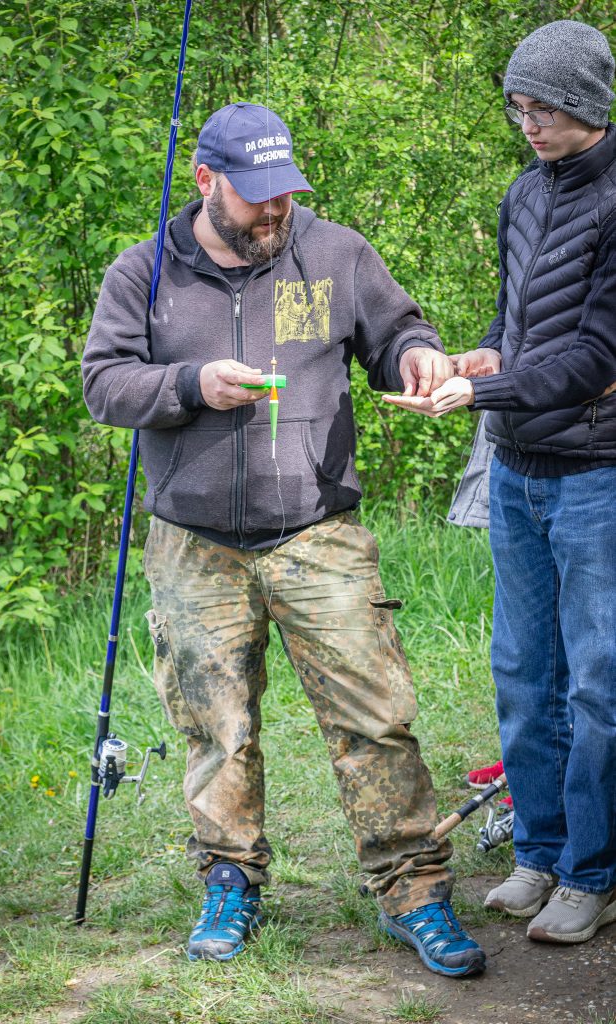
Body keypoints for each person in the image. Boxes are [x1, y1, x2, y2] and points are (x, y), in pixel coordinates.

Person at [82, 102, 486, 977]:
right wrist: (191, 383)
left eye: (286, 193)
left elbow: (397, 333)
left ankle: (413, 890)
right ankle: (231, 880)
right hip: (193, 541)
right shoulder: (142, 273)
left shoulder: (335, 252)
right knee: (215, 728)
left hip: (318, 531)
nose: (275, 210)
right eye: (257, 195)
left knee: (374, 720)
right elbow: (104, 384)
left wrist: (418, 356)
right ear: (206, 182)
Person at [384, 21, 616, 944]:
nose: (529, 123)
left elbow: (596, 357)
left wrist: (480, 391)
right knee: (524, 674)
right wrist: (480, 357)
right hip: (516, 473)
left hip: (596, 476)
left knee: (597, 683)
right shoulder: (522, 191)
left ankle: (593, 872)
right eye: (518, 106)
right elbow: (519, 325)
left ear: (586, 102)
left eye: (544, 107)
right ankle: (540, 852)